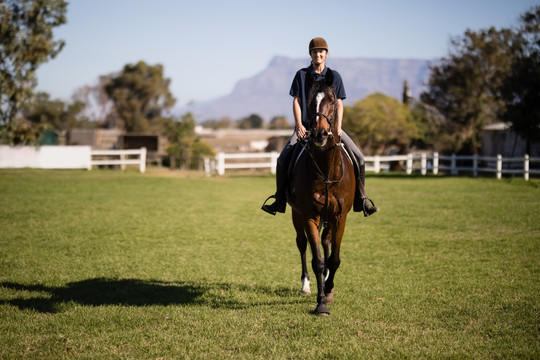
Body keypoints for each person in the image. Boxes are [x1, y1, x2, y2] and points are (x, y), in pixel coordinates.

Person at [261, 37, 378, 217]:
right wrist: (299, 124)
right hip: (306, 129)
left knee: (360, 158)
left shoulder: (334, 76)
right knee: (282, 159)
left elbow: (339, 103)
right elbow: (296, 101)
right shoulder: (301, 75)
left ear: (326, 54)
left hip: (331, 129)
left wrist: (338, 126)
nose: (318, 54)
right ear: (311, 54)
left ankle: (361, 199)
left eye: (321, 52)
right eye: (315, 52)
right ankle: (279, 200)